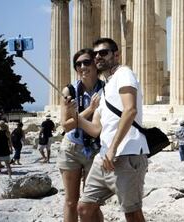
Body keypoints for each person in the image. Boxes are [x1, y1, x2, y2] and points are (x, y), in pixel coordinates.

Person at [66, 38, 149, 222]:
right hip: (103, 158)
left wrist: (113, 149)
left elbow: (130, 110)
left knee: (132, 213)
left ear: (116, 55)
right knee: (84, 208)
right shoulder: (105, 89)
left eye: (103, 52)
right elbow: (95, 129)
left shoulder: (124, 74)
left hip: (127, 154)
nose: (98, 57)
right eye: (95, 54)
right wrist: (76, 115)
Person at [58, 48, 104, 222]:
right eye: (78, 64)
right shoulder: (68, 90)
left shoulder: (105, 89)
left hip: (96, 149)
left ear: (95, 64)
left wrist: (77, 116)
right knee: (71, 202)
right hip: (71, 148)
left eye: (87, 62)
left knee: (92, 203)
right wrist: (90, 110)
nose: (82, 67)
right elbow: (65, 125)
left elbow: (97, 127)